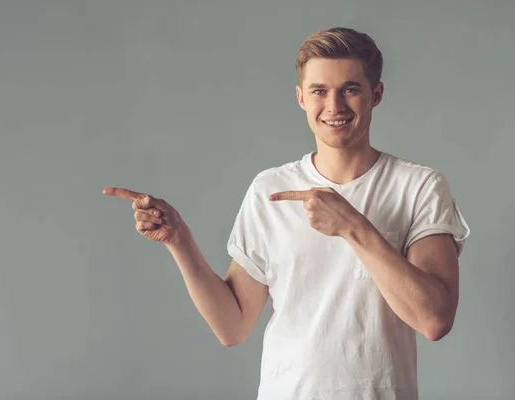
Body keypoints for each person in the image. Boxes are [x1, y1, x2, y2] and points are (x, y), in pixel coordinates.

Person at [103, 27, 470, 400]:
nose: (335, 106)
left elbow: (434, 320)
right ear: (300, 98)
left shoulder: (420, 186)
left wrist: (353, 227)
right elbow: (233, 327)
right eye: (319, 91)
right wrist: (178, 240)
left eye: (350, 89)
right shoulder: (270, 189)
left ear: (376, 94)